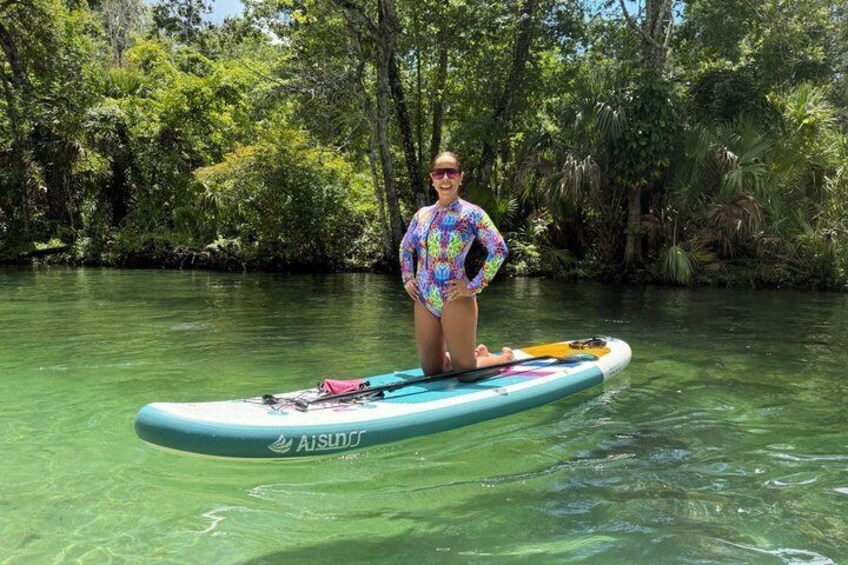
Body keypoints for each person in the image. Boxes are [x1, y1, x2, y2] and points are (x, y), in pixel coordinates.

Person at [399, 151, 513, 378]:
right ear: (432, 178)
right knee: (432, 371)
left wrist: (473, 286)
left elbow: (499, 249)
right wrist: (407, 278)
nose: (445, 178)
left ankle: (504, 358)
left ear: (460, 177)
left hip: (455, 296)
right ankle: (474, 354)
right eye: (439, 173)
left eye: (451, 172)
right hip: (425, 298)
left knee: (466, 373)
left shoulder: (472, 214)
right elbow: (405, 247)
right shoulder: (422, 215)